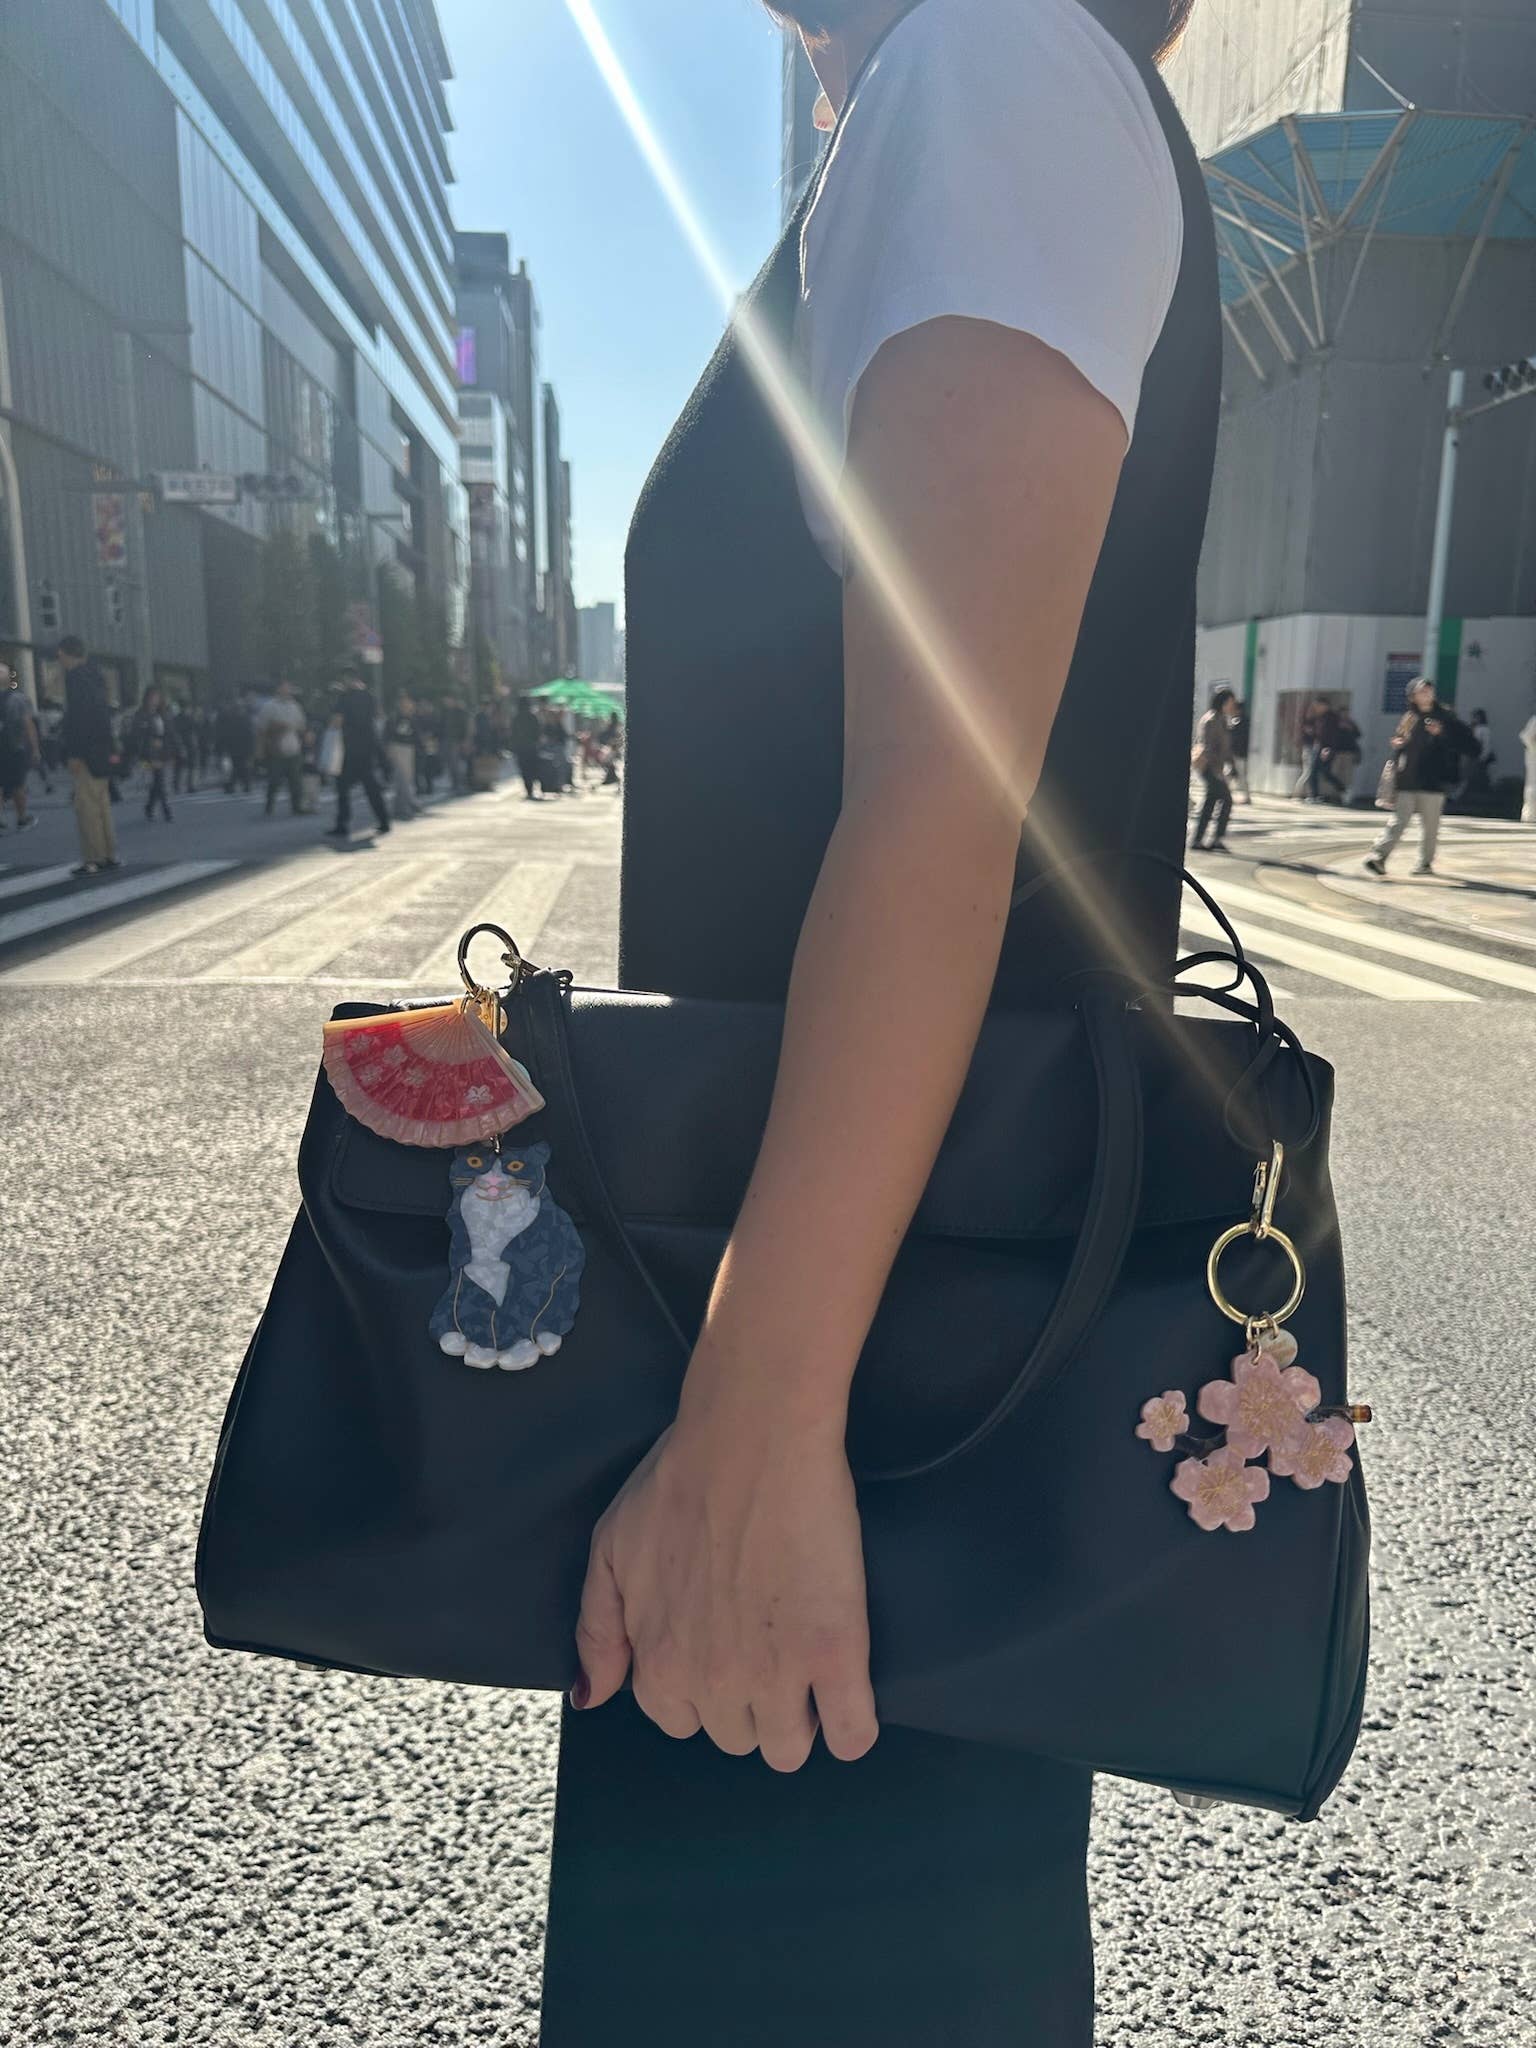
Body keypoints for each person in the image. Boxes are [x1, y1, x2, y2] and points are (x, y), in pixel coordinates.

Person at [537, 3, 1216, 2044]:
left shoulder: (996, 65)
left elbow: (940, 812)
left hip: (850, 1398)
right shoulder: (976, 89)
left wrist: (757, 1424)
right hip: (876, 1381)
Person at [1364, 676, 1477, 877]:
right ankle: (1379, 856)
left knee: (1430, 826)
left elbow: (1470, 746)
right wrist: (1397, 747)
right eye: (1421, 691)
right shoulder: (1409, 718)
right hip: (1408, 778)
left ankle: (1424, 863)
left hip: (1434, 781)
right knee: (1398, 821)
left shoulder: (1447, 717)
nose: (1426, 694)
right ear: (1413, 696)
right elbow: (1401, 744)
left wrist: (1442, 733)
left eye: (1429, 690)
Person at [57, 635, 120, 876]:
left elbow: (78, 720)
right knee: (102, 804)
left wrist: (74, 753)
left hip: (85, 752)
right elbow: (100, 717)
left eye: (60, 654)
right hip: (102, 750)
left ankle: (92, 859)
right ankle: (109, 853)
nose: (59, 658)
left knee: (86, 807)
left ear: (67, 653)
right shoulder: (96, 676)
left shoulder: (75, 678)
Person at [325, 672, 390, 838]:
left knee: (342, 788)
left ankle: (343, 824)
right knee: (371, 786)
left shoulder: (344, 698)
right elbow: (380, 716)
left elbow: (336, 722)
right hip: (367, 746)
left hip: (349, 748)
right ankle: (384, 820)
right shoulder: (370, 697)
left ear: (347, 680)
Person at [1189, 684, 1235, 850]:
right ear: (1223, 701)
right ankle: (1213, 838)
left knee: (1211, 802)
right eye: (1231, 701)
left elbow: (1226, 748)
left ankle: (1199, 839)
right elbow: (1208, 748)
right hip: (1208, 768)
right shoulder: (1211, 720)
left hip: (1217, 768)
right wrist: (1217, 772)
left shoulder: (1223, 720)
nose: (1233, 705)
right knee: (1226, 800)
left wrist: (1231, 766)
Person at [0, 662, 41, 833]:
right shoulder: (19, 698)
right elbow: (28, 724)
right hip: (15, 747)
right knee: (18, 784)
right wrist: (35, 748)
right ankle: (22, 818)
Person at [127, 684, 178, 823]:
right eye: (152, 696)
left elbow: (170, 734)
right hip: (147, 754)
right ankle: (166, 810)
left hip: (162, 752)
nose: (155, 699)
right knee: (159, 779)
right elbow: (136, 735)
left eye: (157, 696)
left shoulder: (163, 714)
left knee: (158, 781)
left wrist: (173, 751)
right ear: (147, 698)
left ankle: (149, 807)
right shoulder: (141, 714)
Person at [260, 679, 307, 817]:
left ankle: (296, 806)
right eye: (285, 688)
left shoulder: (295, 706)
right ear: (278, 689)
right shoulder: (269, 706)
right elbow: (262, 729)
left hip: (293, 747)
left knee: (295, 780)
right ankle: (269, 804)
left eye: (289, 688)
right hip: (276, 749)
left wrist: (303, 734)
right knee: (274, 780)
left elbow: (302, 726)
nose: (288, 691)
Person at [385, 693, 420, 820]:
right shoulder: (395, 717)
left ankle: (399, 807)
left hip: (408, 749)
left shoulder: (411, 718)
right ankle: (404, 808)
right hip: (398, 748)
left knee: (404, 779)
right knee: (402, 779)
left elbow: (416, 736)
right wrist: (388, 749)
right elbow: (388, 734)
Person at [215, 695, 255, 795]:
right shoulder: (245, 719)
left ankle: (234, 786)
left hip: (234, 747)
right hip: (241, 748)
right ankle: (244, 785)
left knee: (237, 767)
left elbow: (224, 734)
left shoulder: (230, 719)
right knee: (242, 767)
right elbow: (250, 735)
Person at [1321, 705, 1361, 804]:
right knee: (1335, 773)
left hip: (1349, 752)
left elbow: (1358, 735)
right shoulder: (1335, 723)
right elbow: (1331, 736)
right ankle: (1333, 795)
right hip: (1337, 752)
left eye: (1347, 713)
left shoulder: (1351, 723)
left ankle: (1344, 796)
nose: (1345, 715)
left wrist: (1350, 728)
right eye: (1343, 713)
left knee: (1346, 775)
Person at [510, 695, 543, 800]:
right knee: (532, 768)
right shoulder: (532, 717)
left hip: (520, 748)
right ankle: (531, 788)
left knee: (523, 769)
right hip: (532, 747)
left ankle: (528, 789)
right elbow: (538, 732)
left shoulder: (516, 718)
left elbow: (513, 733)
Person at [1225, 698, 1250, 804]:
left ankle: (1225, 795)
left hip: (1237, 753)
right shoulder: (1244, 721)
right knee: (1232, 774)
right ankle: (1225, 794)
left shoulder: (1238, 722)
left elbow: (1233, 736)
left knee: (1236, 774)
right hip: (1239, 753)